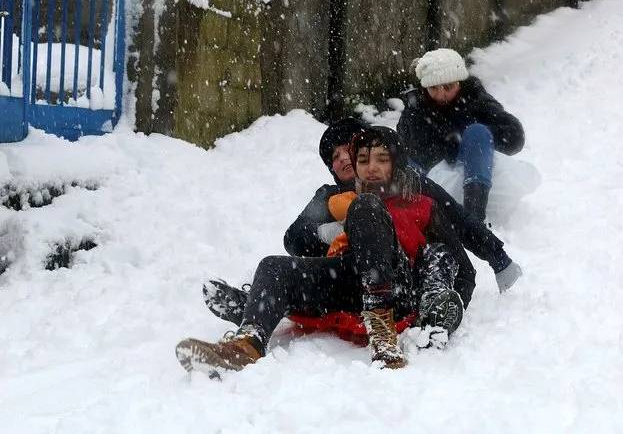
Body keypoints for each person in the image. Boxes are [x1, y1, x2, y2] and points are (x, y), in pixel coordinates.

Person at [176, 126, 475, 375]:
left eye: (382, 159)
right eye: (363, 159)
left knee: (367, 206)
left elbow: (464, 269)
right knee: (274, 266)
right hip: (349, 278)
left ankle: (380, 328)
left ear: (396, 164)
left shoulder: (421, 205)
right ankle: (247, 343)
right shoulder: (341, 199)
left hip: (398, 288)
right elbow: (295, 237)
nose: (371, 167)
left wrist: (440, 311)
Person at [278, 117, 522, 294]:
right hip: (349, 277)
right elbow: (294, 238)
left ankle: (435, 302)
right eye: (334, 156)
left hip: (409, 273)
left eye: (348, 149)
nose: (342, 158)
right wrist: (326, 232)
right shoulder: (329, 197)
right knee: (278, 270)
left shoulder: (408, 183)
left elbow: (457, 219)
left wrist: (497, 257)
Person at [396, 48, 525, 223]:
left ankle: (474, 218)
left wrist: (469, 138)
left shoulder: (473, 97)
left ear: (459, 83)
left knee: (478, 132)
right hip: (434, 182)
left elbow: (514, 136)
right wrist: (447, 144)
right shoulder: (416, 107)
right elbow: (412, 149)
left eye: (448, 87)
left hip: (477, 174)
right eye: (433, 88)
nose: (441, 94)